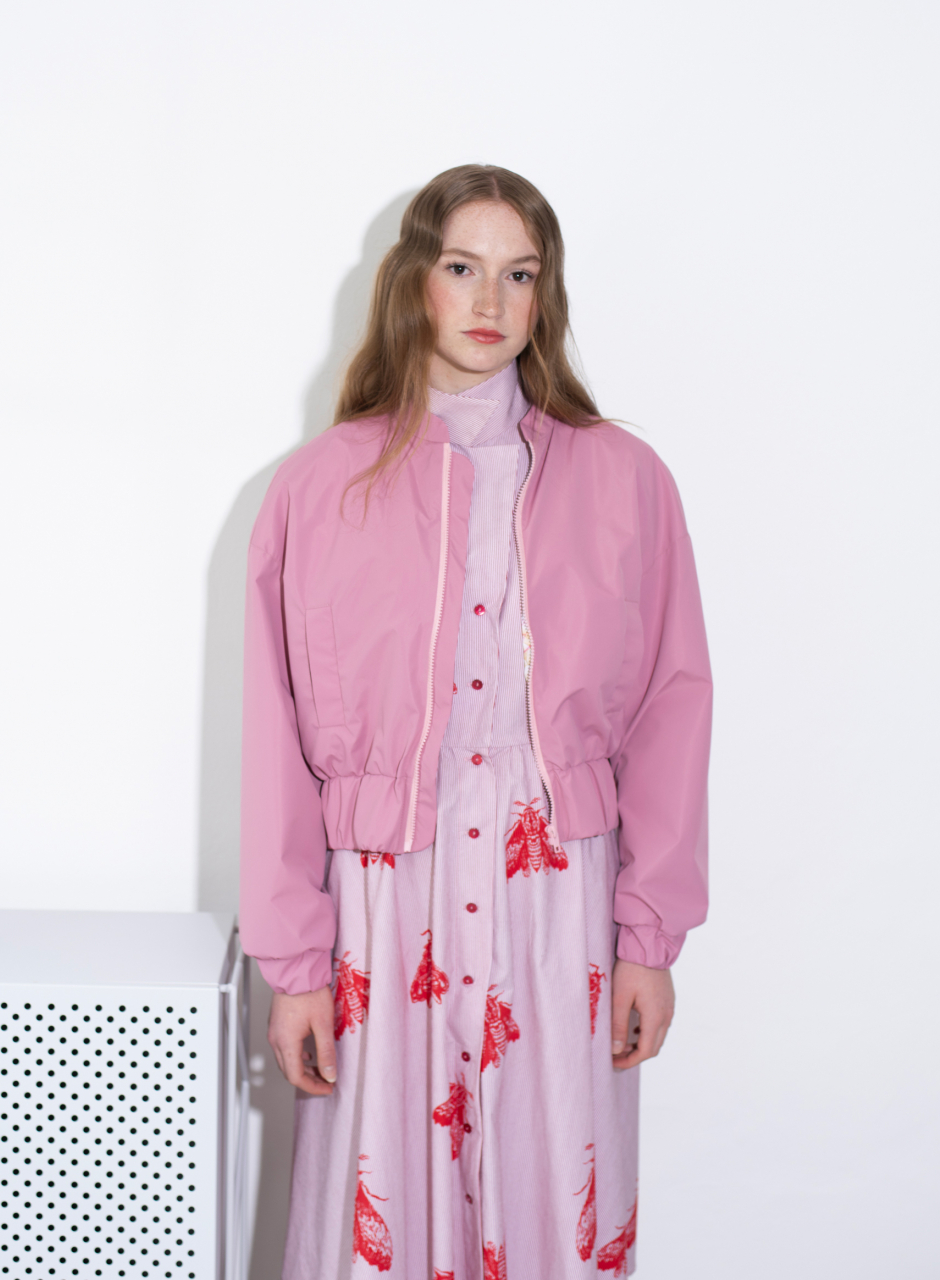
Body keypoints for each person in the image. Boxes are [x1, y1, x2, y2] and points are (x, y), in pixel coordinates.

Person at [239, 163, 712, 1280]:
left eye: (520, 274)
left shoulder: (626, 480)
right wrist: (294, 963)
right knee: (378, 1225)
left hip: (559, 910)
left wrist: (647, 940)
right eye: (462, 267)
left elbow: (672, 705)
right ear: (414, 280)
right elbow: (274, 737)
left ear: (546, 295)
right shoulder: (319, 487)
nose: (490, 299)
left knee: (558, 1207)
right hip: (379, 915)